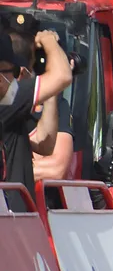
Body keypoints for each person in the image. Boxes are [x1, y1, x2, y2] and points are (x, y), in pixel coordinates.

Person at [0, 30, 73, 211]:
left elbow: (44, 143)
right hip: (11, 222)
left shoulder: (10, 111)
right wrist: (48, 40)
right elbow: (63, 76)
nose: (17, 79)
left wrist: (50, 94)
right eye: (13, 71)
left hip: (19, 219)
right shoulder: (7, 102)